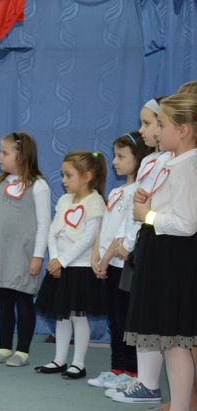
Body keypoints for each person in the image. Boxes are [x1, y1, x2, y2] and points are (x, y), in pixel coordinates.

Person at [126, 92, 197, 411]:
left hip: (175, 257)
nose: (158, 131)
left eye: (163, 124)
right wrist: (151, 203)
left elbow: (187, 222)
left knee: (176, 340)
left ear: (183, 130)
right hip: (165, 253)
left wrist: (148, 215)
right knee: (171, 342)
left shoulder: (188, 165)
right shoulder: (175, 162)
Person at [108, 98, 172, 404]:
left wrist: (130, 243)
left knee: (156, 319)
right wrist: (127, 242)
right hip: (143, 240)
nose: (142, 129)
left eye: (148, 123)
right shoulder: (150, 161)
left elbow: (153, 208)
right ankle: (145, 381)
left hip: (160, 240)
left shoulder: (173, 161)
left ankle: (149, 383)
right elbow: (136, 208)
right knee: (142, 316)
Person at [0, 132, 51, 367]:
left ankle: (23, 351)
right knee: (4, 300)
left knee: (23, 300)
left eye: (4, 153)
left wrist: (38, 256)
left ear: (22, 156)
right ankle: (4, 347)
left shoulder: (38, 186)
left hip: (23, 255)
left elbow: (44, 224)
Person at [34, 152, 108, 380]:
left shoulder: (95, 202)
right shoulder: (65, 200)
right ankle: (60, 359)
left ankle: (78, 363)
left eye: (68, 175)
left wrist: (63, 261)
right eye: (63, 175)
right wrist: (55, 258)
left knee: (78, 316)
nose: (63, 180)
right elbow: (52, 231)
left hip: (80, 269)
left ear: (87, 176)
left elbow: (88, 238)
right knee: (62, 316)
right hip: (60, 268)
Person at [87, 132, 151, 390]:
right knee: (113, 319)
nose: (114, 161)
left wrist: (107, 256)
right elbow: (105, 226)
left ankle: (131, 370)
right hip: (109, 264)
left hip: (124, 265)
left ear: (139, 158)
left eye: (121, 156)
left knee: (126, 320)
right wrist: (96, 255)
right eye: (114, 156)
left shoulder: (139, 191)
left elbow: (125, 232)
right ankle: (117, 368)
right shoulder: (116, 191)